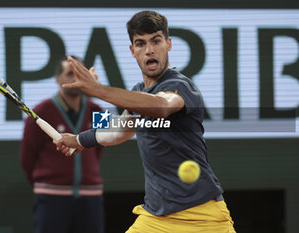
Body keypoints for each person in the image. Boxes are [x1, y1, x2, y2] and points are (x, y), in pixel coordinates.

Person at [55, 11, 235, 233]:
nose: (149, 50)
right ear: (132, 51)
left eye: (156, 41)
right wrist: (80, 139)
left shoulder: (182, 86)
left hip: (202, 217)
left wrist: (99, 91)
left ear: (168, 44)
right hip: (155, 218)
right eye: (140, 43)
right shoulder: (137, 93)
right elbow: (119, 131)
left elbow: (160, 106)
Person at [19, 56, 105, 233]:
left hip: (91, 197)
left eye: (79, 73)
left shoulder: (98, 111)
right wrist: (47, 182)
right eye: (69, 74)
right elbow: (27, 157)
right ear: (57, 79)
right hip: (51, 198)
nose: (75, 78)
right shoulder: (40, 112)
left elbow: (101, 146)